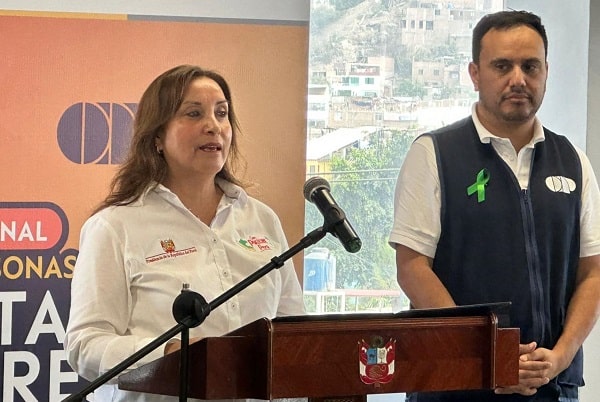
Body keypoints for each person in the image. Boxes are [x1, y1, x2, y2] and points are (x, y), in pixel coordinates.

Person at [389, 10, 600, 402]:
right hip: (456, 386)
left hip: (553, 385)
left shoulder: (573, 161)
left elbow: (592, 273)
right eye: (502, 66)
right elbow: (412, 268)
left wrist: (560, 357)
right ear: (475, 74)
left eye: (530, 66)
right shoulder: (434, 154)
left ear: (546, 72)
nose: (518, 79)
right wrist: (489, 357)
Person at [64, 65, 306, 401]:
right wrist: (169, 354)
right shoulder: (115, 226)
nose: (213, 126)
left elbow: (294, 334)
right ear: (157, 137)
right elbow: (85, 344)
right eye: (194, 113)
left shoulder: (262, 219)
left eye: (222, 113)